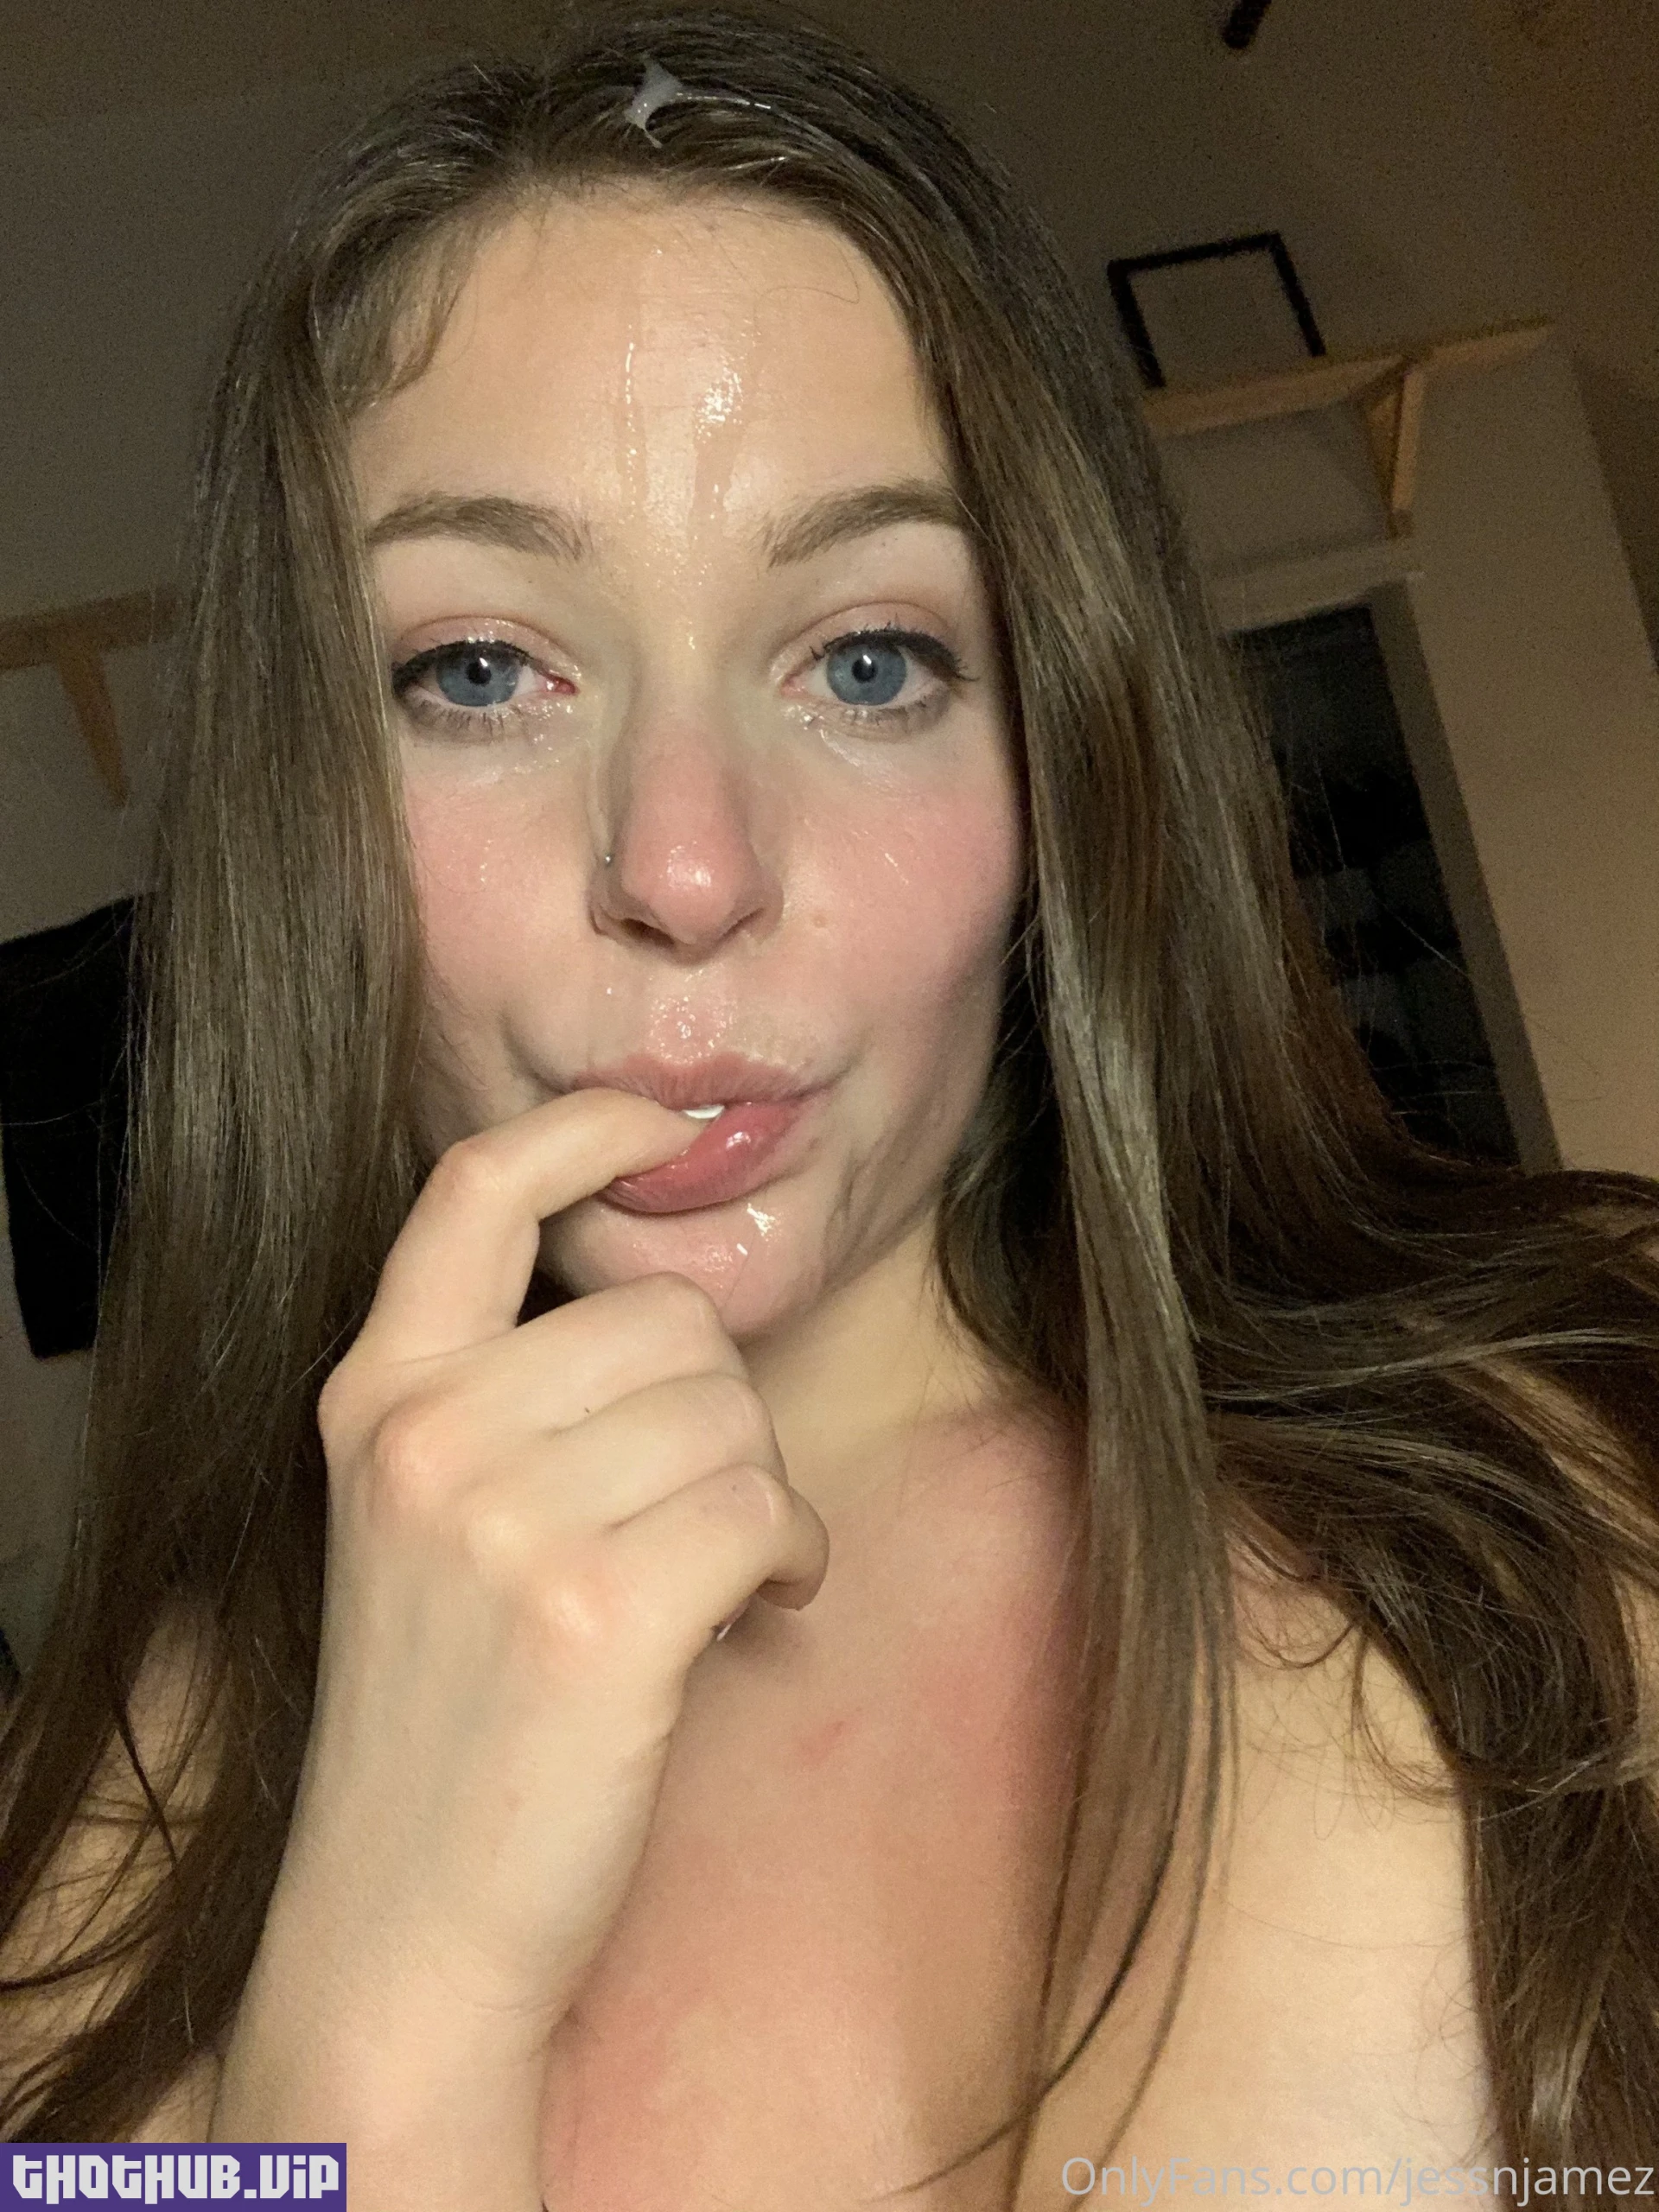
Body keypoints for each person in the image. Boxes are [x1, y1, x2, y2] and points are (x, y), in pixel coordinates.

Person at [4, 9, 1659, 2206]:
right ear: (299, 808)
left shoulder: (1572, 1498)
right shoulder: (128, 1775)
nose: (688, 869)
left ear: (1062, 764)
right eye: (479, 671)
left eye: (869, 660)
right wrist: (382, 2002)